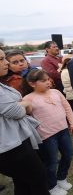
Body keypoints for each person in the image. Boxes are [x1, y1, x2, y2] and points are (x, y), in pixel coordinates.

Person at [0, 49, 49, 195]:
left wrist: (21, 105)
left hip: (15, 139)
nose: (6, 62)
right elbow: (15, 112)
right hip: (11, 146)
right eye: (2, 59)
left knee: (22, 181)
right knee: (38, 178)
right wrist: (25, 104)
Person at [23, 69, 73, 195]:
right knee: (51, 162)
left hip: (63, 130)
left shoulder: (56, 92)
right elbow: (26, 116)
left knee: (68, 154)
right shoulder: (28, 98)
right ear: (32, 84)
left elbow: (67, 107)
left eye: (48, 79)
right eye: (43, 81)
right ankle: (52, 186)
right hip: (46, 136)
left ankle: (61, 178)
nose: (48, 82)